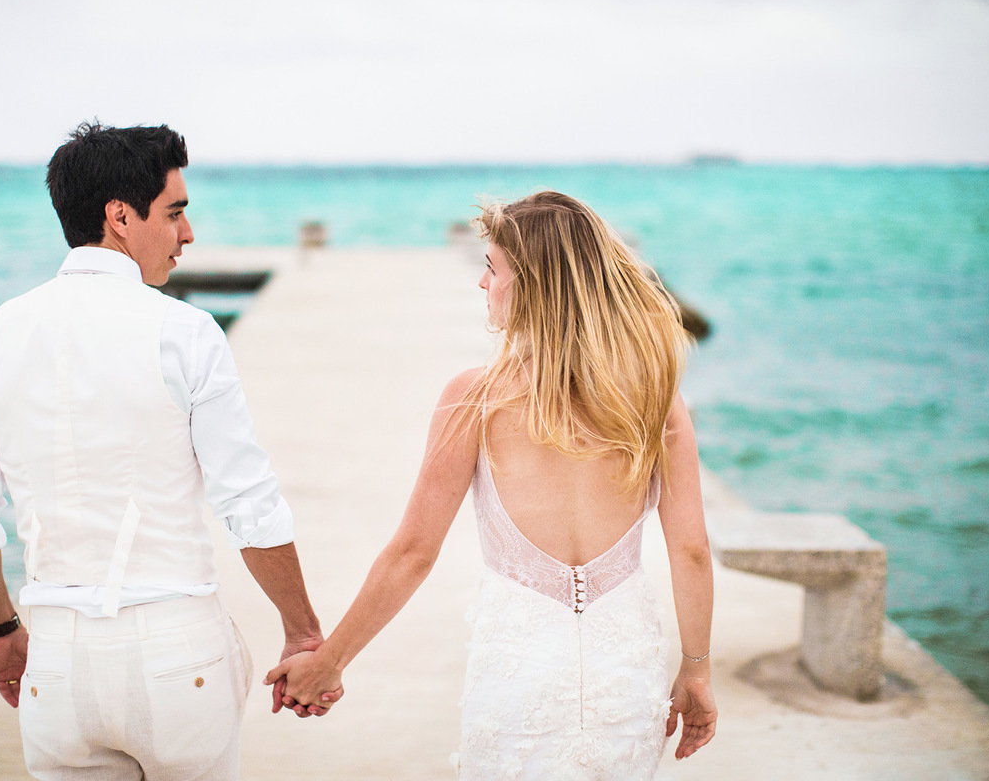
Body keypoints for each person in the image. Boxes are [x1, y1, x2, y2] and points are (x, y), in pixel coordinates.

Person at [265, 191, 717, 778]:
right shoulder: (656, 396)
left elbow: (413, 553)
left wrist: (330, 661)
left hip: (519, 675)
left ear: (532, 284)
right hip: (625, 672)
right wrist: (697, 669)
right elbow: (691, 550)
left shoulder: (475, 398)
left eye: (493, 268)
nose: (482, 283)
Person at [0, 121, 330, 781]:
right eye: (174, 212)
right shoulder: (185, 333)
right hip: (179, 659)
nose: (188, 233)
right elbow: (248, 504)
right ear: (120, 217)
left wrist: (1, 632)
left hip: (56, 664)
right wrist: (302, 631)